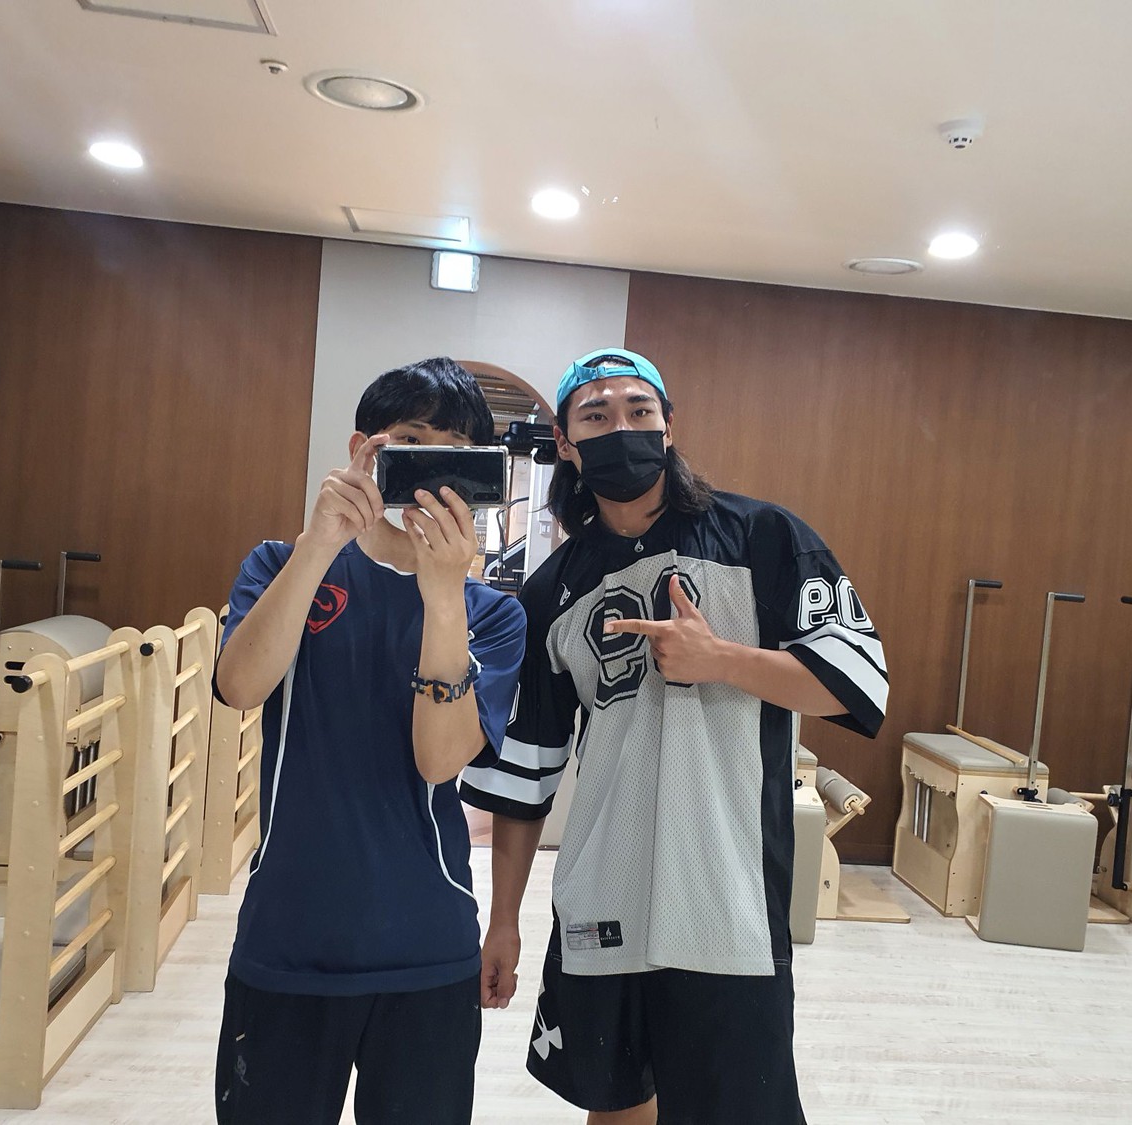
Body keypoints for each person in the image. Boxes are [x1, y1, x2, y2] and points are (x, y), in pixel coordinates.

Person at [461, 348, 889, 1124]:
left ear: (668, 425)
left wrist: (721, 659)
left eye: (639, 409)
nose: (620, 426)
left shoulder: (762, 538)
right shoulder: (553, 589)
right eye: (596, 415)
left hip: (727, 901)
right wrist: (504, 922)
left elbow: (858, 685)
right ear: (565, 441)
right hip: (602, 895)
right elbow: (525, 779)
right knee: (615, 1107)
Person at [212, 356, 525, 1124]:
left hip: (427, 947)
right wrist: (320, 544)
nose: (429, 471)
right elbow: (239, 686)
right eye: (409, 443)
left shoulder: (493, 614)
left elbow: (439, 759)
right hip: (288, 937)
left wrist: (444, 595)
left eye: (454, 455)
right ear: (364, 450)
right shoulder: (281, 565)